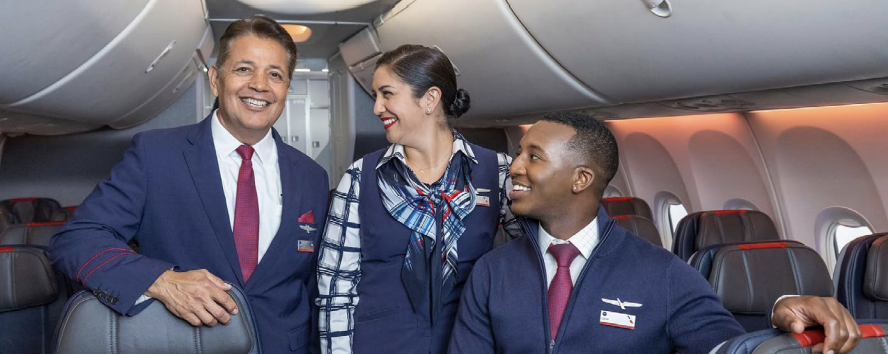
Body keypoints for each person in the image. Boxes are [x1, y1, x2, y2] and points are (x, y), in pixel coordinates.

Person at [448, 112, 861, 354]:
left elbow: (726, 347)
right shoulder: (492, 272)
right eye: (519, 153)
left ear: (581, 179)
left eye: (532, 156)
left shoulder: (661, 273)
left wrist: (782, 308)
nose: (515, 166)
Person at [49, 16, 328, 354]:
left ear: (286, 89)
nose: (260, 85)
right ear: (215, 79)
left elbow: (316, 287)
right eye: (243, 69)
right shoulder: (156, 154)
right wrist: (160, 281)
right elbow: (77, 238)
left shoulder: (312, 176)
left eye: (275, 74)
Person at [316, 45, 523, 354]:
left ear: (430, 98)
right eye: (376, 96)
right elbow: (336, 289)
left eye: (387, 94)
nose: (377, 108)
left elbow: (537, 258)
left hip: (467, 343)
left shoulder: (498, 172)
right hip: (380, 344)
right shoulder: (361, 177)